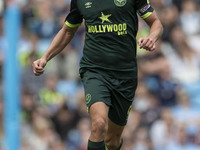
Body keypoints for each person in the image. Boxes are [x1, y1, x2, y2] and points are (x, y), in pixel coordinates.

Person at [32, 0, 163, 149]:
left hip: (125, 74)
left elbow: (156, 23)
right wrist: (45, 57)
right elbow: (68, 30)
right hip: (95, 70)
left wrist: (151, 38)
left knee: (112, 141)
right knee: (99, 124)